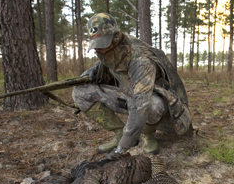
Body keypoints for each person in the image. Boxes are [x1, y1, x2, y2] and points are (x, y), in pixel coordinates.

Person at [72, 13, 192, 156]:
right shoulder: (109, 52)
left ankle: (146, 134)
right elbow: (109, 61)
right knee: (80, 93)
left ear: (115, 38)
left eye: (103, 44)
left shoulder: (141, 60)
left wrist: (122, 148)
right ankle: (118, 133)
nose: (100, 50)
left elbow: (140, 103)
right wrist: (92, 71)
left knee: (153, 105)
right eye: (97, 46)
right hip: (127, 96)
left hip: (149, 101)